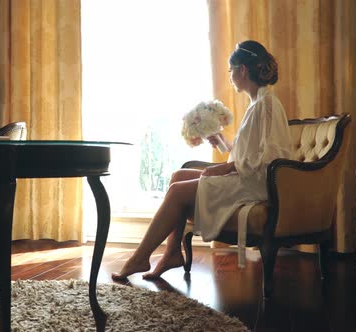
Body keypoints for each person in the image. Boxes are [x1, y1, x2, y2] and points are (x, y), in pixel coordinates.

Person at [112, 40, 292, 280]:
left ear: (243, 70)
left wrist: (227, 167)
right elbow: (246, 153)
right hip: (245, 177)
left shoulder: (267, 104)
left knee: (177, 190)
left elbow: (271, 157)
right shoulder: (257, 103)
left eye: (231, 70)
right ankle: (172, 252)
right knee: (178, 176)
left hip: (255, 185)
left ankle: (140, 257)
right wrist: (221, 142)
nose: (229, 76)